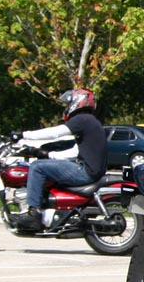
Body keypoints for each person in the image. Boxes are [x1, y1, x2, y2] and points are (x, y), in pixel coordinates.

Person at [11, 89, 107, 230]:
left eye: (68, 103)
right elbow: (75, 151)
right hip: (89, 169)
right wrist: (48, 155)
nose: (66, 107)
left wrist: (23, 135)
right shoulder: (90, 122)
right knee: (45, 164)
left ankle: (34, 214)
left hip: (85, 171)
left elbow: (55, 133)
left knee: (37, 167)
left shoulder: (83, 119)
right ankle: (46, 208)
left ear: (78, 101)